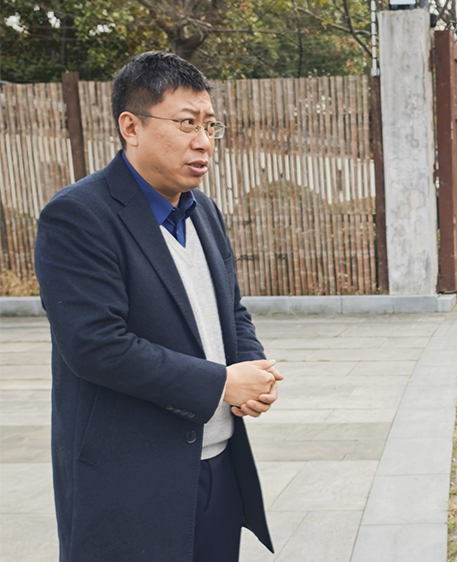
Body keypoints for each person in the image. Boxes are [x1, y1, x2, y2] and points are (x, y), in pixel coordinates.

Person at [33, 51, 279, 562]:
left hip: (218, 468)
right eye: (187, 123)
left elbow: (230, 309)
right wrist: (220, 384)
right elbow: (96, 346)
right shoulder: (79, 215)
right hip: (131, 484)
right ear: (131, 127)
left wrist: (252, 370)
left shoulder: (202, 210)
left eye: (210, 125)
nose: (203, 141)